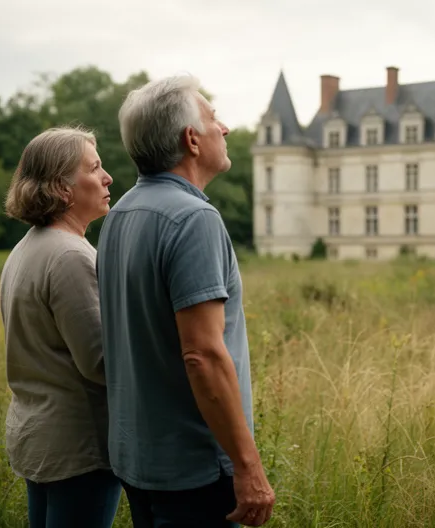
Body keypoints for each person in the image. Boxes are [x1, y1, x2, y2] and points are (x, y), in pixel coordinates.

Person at [96, 74, 275, 527]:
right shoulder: (195, 219)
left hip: (137, 461)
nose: (226, 128)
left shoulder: (118, 216)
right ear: (191, 140)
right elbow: (203, 354)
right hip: (194, 473)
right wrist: (247, 466)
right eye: (215, 118)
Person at [0, 125, 121, 528]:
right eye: (95, 167)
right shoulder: (69, 255)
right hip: (77, 447)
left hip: (40, 436)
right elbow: (100, 362)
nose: (108, 178)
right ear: (62, 188)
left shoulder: (28, 246)